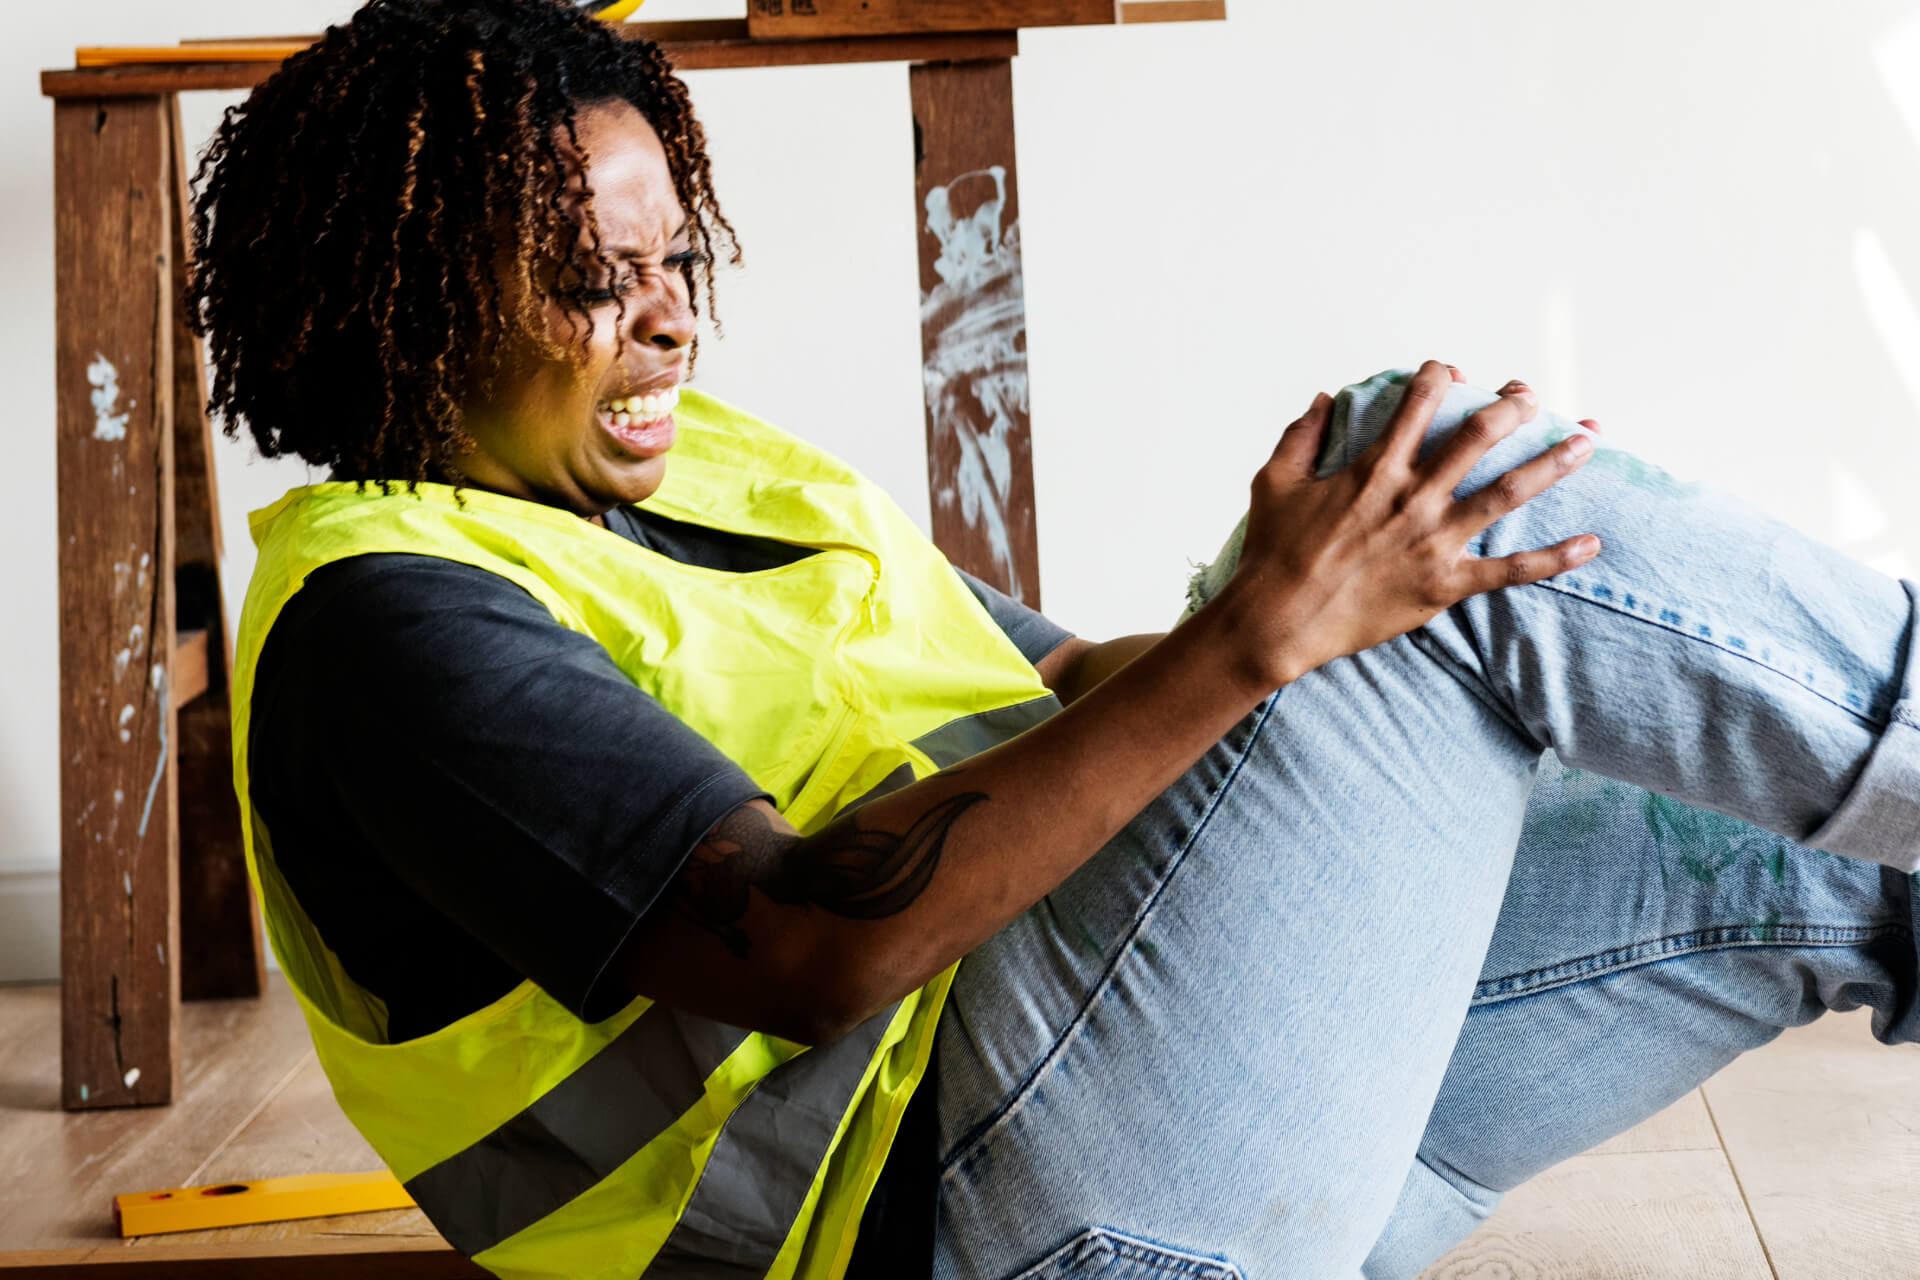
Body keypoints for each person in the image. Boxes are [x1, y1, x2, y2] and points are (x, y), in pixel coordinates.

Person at [188, 1, 1920, 1277]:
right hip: (966, 1218)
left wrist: (1296, 623)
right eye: (591, 276)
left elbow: (1070, 686)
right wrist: (1266, 634)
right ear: (402, 300)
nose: (669, 321)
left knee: (1833, 867)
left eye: (672, 260)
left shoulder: (700, 470)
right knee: (1406, 454)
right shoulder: (385, 623)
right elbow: (801, 947)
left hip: (1207, 1118)